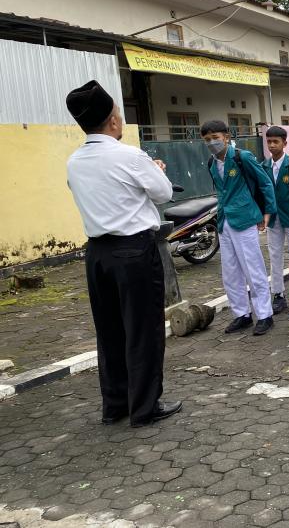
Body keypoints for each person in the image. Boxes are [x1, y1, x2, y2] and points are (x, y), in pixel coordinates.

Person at [66, 80, 181, 427]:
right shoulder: (128, 154)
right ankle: (145, 407)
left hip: (97, 254)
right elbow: (162, 195)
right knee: (143, 329)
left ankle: (115, 404)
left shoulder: (74, 161)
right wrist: (156, 171)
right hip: (133, 250)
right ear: (113, 121)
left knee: (110, 330)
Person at [201, 120, 277, 336]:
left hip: (245, 219)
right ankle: (241, 314)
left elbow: (265, 183)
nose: (212, 143)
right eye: (207, 140)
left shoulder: (242, 157)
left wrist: (267, 213)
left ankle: (264, 315)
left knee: (253, 268)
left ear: (226, 137)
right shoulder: (212, 163)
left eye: (215, 138)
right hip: (225, 221)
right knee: (230, 272)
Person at [262, 126, 289, 315]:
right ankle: (278, 294)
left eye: (276, 141)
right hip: (273, 219)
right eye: (269, 141)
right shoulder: (263, 166)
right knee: (275, 256)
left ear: (284, 143)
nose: (272, 145)